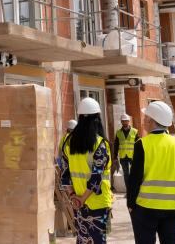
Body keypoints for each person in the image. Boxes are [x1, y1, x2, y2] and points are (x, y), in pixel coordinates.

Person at [128, 101, 175, 244]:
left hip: (146, 208)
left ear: (152, 120)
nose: (144, 121)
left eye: (146, 118)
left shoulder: (142, 144)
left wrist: (130, 204)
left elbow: (135, 179)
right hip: (174, 208)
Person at [59, 98, 113, 244]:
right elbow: (96, 178)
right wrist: (82, 198)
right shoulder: (100, 144)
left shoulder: (68, 142)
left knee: (83, 239)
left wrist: (73, 197)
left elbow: (64, 174)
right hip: (98, 202)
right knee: (97, 240)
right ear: (97, 119)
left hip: (77, 202)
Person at [114, 113, 138, 191]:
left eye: (126, 121)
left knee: (134, 173)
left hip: (133, 156)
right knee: (126, 174)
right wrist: (114, 157)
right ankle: (129, 191)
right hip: (123, 156)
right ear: (121, 122)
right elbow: (116, 145)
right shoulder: (118, 132)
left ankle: (134, 189)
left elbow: (138, 144)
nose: (125, 122)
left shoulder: (135, 131)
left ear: (129, 121)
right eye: (123, 121)